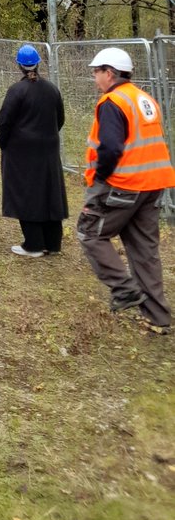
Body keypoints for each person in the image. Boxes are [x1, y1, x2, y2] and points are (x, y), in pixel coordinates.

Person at [77, 47, 175, 332]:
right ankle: (158, 317)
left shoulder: (112, 102)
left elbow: (110, 147)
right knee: (144, 250)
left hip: (122, 185)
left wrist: (101, 179)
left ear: (109, 73)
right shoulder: (145, 99)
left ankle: (124, 289)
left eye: (97, 73)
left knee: (90, 233)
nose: (95, 79)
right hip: (153, 185)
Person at [0, 44, 68, 258]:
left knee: (26, 194)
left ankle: (34, 245)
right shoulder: (51, 89)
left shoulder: (16, 91)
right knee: (50, 193)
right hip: (49, 149)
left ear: (19, 65)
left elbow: (4, 123)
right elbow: (60, 118)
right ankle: (53, 244)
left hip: (22, 152)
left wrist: (6, 145)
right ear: (38, 63)